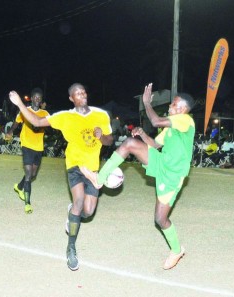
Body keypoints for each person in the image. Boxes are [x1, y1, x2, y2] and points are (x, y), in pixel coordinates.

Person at [80, 83, 195, 270]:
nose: (169, 107)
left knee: (160, 219)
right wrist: (142, 133)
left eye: (173, 105)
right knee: (130, 143)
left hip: (172, 176)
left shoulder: (185, 120)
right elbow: (156, 145)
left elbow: (156, 121)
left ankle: (176, 250)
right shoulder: (171, 128)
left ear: (182, 109)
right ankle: (99, 179)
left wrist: (147, 103)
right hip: (161, 162)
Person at [9, 83, 113, 271]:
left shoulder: (101, 115)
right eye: (77, 93)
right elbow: (37, 122)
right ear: (71, 98)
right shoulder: (65, 117)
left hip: (93, 169)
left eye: (83, 92)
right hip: (74, 166)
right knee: (79, 200)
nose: (82, 95)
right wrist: (19, 104)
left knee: (87, 212)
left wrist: (101, 136)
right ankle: (71, 248)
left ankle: (72, 212)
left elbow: (110, 140)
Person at [6, 87, 50, 214]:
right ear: (31, 98)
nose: (37, 99)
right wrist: (10, 132)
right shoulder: (24, 111)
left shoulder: (45, 114)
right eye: (35, 97)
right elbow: (16, 123)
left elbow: (49, 127)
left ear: (41, 100)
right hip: (26, 145)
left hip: (39, 147)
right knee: (29, 173)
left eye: (39, 98)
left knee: (33, 175)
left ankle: (19, 187)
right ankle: (27, 204)